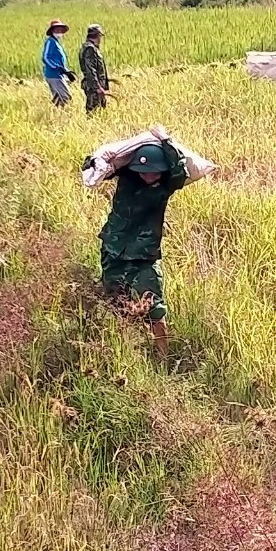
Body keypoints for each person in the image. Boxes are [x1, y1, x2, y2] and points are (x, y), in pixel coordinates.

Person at [98, 131, 189, 362]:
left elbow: (180, 170)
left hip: (144, 257)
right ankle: (124, 352)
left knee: (154, 307)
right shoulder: (127, 179)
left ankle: (162, 358)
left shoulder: (165, 187)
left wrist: (166, 142)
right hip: (113, 250)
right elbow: (104, 163)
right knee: (116, 302)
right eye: (144, 170)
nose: (149, 175)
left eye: (154, 170)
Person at [42, 19, 75, 107]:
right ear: (52, 31)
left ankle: (57, 116)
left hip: (58, 74)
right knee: (66, 97)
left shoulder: (56, 42)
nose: (59, 31)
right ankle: (64, 115)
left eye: (60, 29)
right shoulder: (50, 42)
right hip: (54, 75)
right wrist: (57, 68)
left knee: (58, 99)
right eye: (57, 29)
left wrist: (66, 71)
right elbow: (45, 57)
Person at [79, 23, 110, 113]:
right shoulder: (90, 49)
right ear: (98, 35)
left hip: (94, 86)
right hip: (94, 88)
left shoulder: (88, 47)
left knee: (99, 111)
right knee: (94, 111)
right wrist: (98, 87)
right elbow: (90, 70)